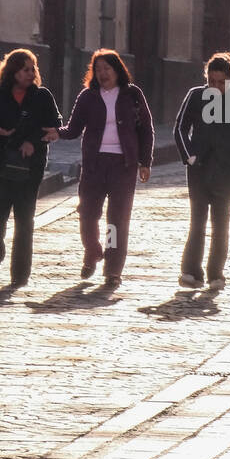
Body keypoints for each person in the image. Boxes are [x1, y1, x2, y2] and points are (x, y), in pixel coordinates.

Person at [57, 50, 153, 289]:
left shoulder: (132, 95)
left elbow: (146, 129)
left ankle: (112, 269)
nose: (102, 73)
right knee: (87, 213)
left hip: (123, 166)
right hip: (94, 165)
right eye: (98, 69)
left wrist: (145, 162)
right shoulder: (88, 97)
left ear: (117, 70)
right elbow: (74, 128)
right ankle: (92, 250)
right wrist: (55, 132)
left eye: (106, 69)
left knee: (116, 221)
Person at [0, 49, 61, 287]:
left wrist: (34, 141)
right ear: (13, 71)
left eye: (33, 69)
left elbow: (54, 124)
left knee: (25, 217)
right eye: (25, 69)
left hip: (31, 166)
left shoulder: (42, 96)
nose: (31, 74)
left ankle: (20, 274)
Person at [173, 51, 230, 292]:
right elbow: (180, 128)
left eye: (221, 82)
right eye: (212, 81)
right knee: (197, 222)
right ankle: (191, 272)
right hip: (199, 169)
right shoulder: (195, 96)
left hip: (227, 171)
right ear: (206, 79)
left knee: (221, 225)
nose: (217, 87)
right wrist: (189, 157)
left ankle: (215, 274)